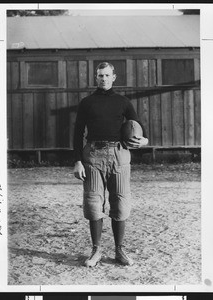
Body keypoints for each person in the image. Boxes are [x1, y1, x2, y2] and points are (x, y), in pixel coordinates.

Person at [73, 62, 148, 267]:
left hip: (119, 154)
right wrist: (78, 160)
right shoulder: (87, 102)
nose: (103, 79)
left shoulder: (123, 101)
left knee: (121, 203)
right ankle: (96, 250)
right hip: (93, 155)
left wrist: (144, 140)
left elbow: (138, 125)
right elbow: (78, 132)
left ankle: (119, 250)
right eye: (100, 76)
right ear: (95, 78)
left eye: (107, 75)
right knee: (93, 204)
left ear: (114, 77)